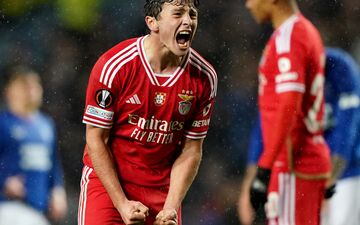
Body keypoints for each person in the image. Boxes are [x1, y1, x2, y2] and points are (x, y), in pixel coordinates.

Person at [78, 0, 217, 225]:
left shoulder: (204, 77)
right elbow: (95, 138)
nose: (188, 21)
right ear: (153, 23)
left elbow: (192, 150)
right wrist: (122, 204)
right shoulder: (114, 66)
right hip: (109, 185)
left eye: (192, 14)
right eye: (178, 14)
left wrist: (171, 207)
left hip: (161, 192)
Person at [245, 0, 332, 224]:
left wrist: (264, 167)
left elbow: (288, 104)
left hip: (294, 163)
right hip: (299, 162)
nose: (248, 5)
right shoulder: (303, 31)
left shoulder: (290, 37)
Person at [0, 65, 67, 225]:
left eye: (35, 85)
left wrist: (58, 190)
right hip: (7, 206)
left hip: (38, 209)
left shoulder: (46, 125)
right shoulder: (2, 123)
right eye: (24, 85)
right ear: (9, 91)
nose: (31, 90)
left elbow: (52, 164)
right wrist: (3, 181)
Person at [321, 48, 360, 225]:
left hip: (348, 172)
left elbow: (347, 131)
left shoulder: (340, 67)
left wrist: (328, 182)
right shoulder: (290, 71)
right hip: (310, 174)